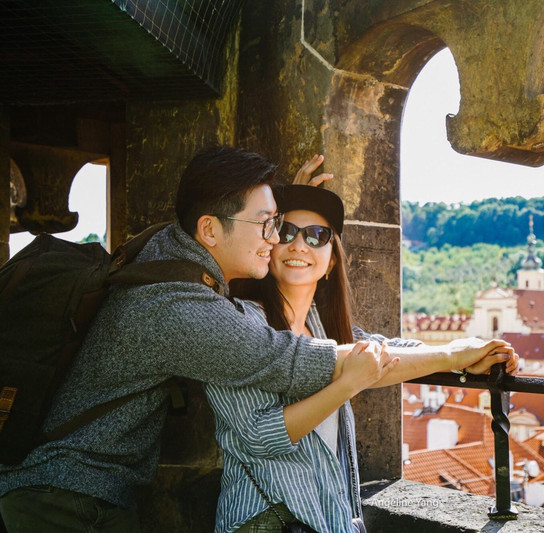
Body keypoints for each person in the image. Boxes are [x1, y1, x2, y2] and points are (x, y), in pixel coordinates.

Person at [0, 146, 511, 532]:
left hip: (80, 490)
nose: (277, 239)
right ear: (210, 231)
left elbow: (362, 341)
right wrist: (452, 353)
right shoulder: (183, 309)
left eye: (306, 234)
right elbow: (293, 363)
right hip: (64, 498)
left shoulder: (168, 250)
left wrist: (281, 207)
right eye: (272, 227)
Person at [206, 183, 519, 532]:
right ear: (269, 246)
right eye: (287, 232)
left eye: (316, 236)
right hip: (264, 520)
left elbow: (388, 352)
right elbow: (259, 436)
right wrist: (347, 385)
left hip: (326, 519)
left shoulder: (324, 329)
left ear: (332, 260)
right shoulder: (239, 322)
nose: (299, 245)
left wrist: (461, 355)